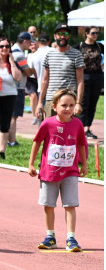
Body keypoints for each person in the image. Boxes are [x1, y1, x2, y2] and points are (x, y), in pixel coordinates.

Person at [28, 89, 87, 252]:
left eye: (71, 105)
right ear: (54, 106)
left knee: (70, 205)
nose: (68, 109)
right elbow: (37, 142)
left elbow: (81, 144)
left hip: (70, 172)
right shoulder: (48, 123)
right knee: (48, 205)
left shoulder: (77, 124)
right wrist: (31, 163)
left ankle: (71, 238)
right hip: (49, 172)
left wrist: (84, 164)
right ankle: (50, 236)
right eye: (64, 105)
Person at [36, 24, 85, 120]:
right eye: (59, 34)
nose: (62, 36)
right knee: (50, 132)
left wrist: (78, 103)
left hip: (69, 101)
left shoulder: (77, 54)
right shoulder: (49, 55)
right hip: (51, 100)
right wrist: (40, 102)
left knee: (69, 132)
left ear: (69, 36)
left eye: (65, 33)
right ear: (55, 36)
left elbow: (80, 81)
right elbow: (45, 80)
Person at [8, 32, 38, 147]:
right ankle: (12, 140)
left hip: (9, 86)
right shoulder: (19, 55)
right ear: (25, 41)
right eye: (30, 42)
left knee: (9, 115)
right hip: (17, 87)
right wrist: (34, 71)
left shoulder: (11, 51)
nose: (30, 45)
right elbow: (26, 71)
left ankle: (9, 139)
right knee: (13, 116)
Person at [74, 26, 104, 139]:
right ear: (86, 34)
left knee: (93, 103)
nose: (95, 35)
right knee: (83, 102)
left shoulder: (99, 46)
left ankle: (87, 128)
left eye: (97, 33)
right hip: (83, 77)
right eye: (93, 33)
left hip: (97, 77)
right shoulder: (79, 46)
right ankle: (81, 128)